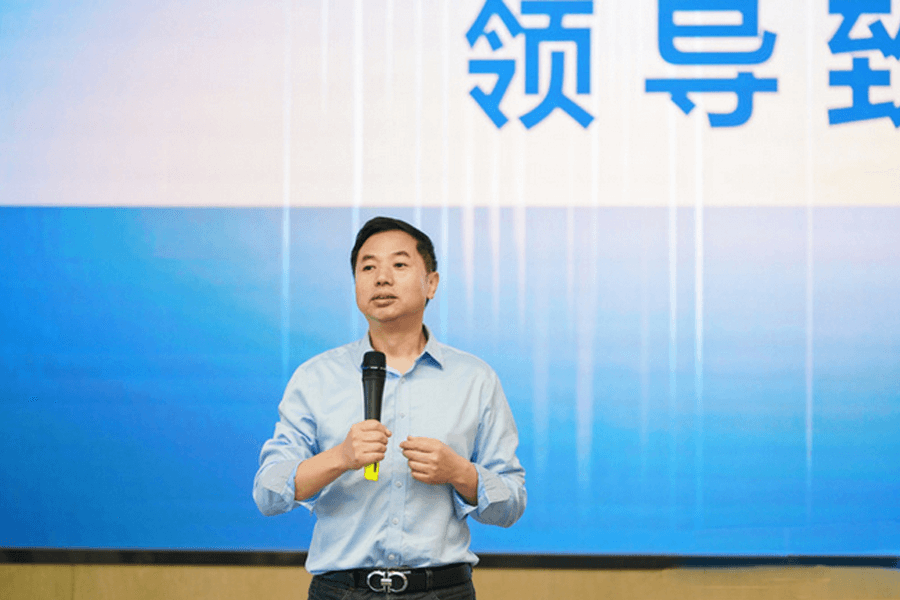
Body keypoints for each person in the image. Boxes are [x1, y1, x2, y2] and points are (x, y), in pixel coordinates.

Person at [253, 216, 526, 599]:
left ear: (431, 283)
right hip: (342, 591)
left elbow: (511, 505)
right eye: (368, 267)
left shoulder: (474, 378)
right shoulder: (316, 377)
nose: (381, 278)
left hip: (441, 591)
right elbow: (268, 493)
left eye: (399, 264)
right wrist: (340, 457)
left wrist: (460, 473)